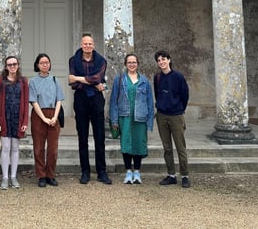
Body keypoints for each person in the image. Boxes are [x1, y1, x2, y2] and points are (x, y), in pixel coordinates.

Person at [68, 34, 111, 185]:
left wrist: (79, 78)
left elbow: (97, 78)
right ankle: (85, 171)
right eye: (85, 44)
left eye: (90, 44)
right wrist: (91, 81)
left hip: (97, 100)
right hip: (80, 99)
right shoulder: (73, 60)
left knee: (100, 137)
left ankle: (101, 171)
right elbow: (72, 83)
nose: (87, 46)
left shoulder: (101, 61)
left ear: (93, 45)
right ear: (81, 45)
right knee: (82, 137)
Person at [109, 53, 155, 185]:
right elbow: (113, 101)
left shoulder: (144, 81)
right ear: (125, 64)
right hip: (125, 117)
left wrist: (149, 122)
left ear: (138, 64)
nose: (132, 64)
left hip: (140, 118)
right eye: (129, 62)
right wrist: (114, 120)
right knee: (126, 144)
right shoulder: (119, 80)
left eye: (134, 62)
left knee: (139, 144)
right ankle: (128, 172)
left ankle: (137, 172)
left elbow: (150, 102)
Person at [153, 50, 191, 188]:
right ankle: (171, 175)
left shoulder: (178, 77)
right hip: (162, 116)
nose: (161, 62)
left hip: (176, 116)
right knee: (167, 148)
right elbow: (157, 94)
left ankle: (185, 176)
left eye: (163, 59)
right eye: (159, 60)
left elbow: (185, 95)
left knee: (181, 148)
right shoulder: (157, 77)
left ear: (169, 60)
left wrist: (178, 108)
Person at [0, 55, 29, 190]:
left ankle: (13, 176)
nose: (12, 66)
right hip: (4, 118)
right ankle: (5, 178)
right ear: (6, 67)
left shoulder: (23, 81)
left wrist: (25, 121)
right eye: (10, 64)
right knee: (6, 148)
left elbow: (25, 102)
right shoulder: (1, 81)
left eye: (14, 64)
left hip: (17, 119)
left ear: (18, 65)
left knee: (15, 148)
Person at [29, 53, 65, 187]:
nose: (45, 65)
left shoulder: (55, 80)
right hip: (39, 114)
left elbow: (59, 100)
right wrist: (44, 118)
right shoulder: (33, 81)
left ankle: (50, 174)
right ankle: (41, 175)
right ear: (37, 65)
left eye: (47, 62)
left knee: (53, 149)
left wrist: (55, 117)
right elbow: (33, 101)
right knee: (38, 147)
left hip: (53, 113)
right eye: (42, 63)